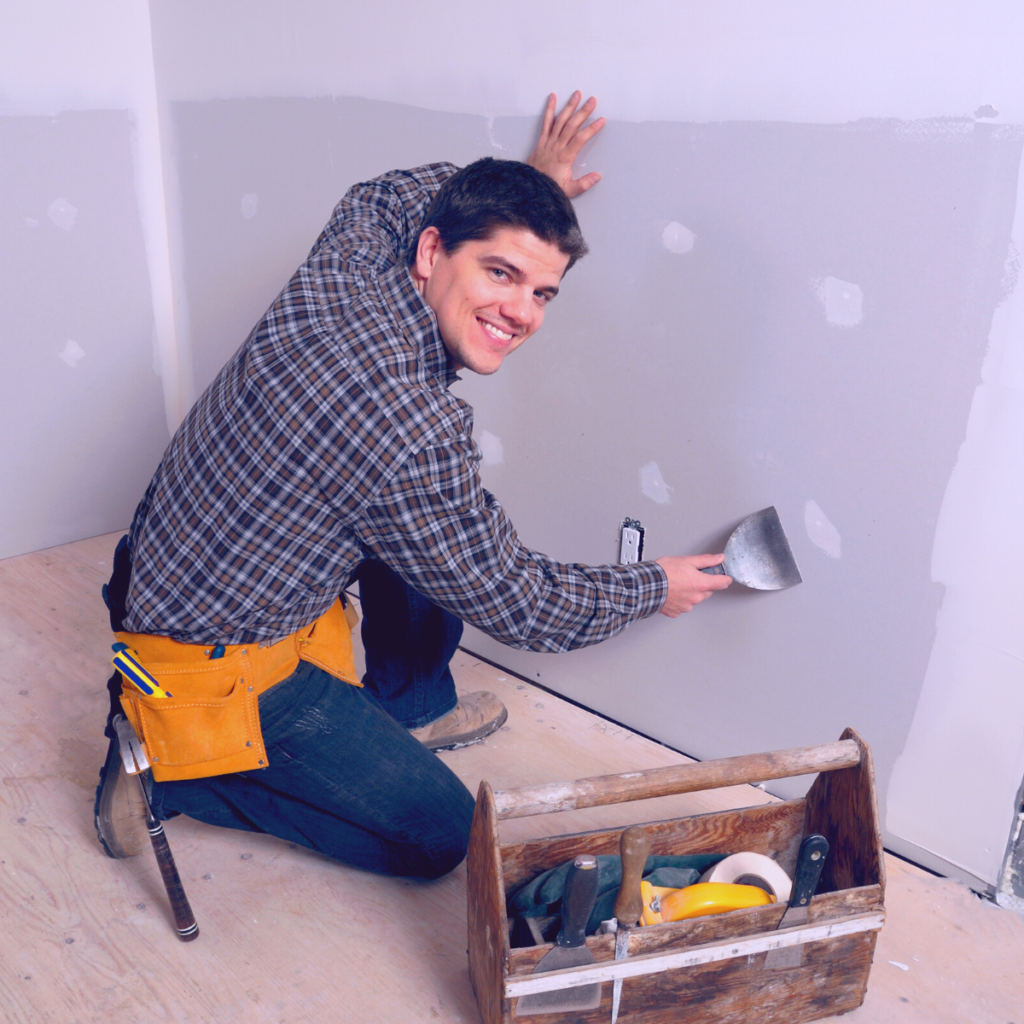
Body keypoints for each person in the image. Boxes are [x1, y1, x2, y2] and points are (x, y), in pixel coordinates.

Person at [95, 93, 731, 879]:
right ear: (432, 252)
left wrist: (524, 189)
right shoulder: (407, 431)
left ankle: (411, 701)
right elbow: (518, 602)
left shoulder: (350, 262)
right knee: (442, 837)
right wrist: (650, 585)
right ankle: (172, 771)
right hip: (210, 662)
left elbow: (386, 194)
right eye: (499, 272)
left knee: (442, 525)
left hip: (162, 566)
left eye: (542, 292)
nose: (522, 312)